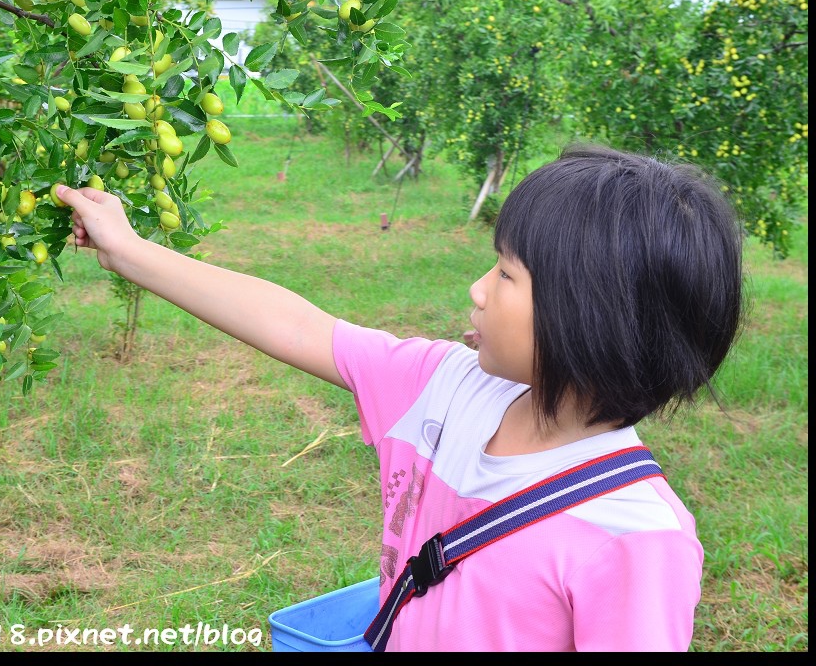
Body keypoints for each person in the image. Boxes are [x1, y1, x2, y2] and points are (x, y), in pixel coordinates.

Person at [53, 143, 744, 651]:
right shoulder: (445, 385)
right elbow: (299, 326)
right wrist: (129, 252)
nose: (477, 288)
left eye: (505, 275)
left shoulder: (633, 540)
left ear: (589, 318)